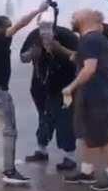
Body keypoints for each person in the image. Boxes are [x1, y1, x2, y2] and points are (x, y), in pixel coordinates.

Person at [0, 0, 48, 185]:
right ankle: (9, 171)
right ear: (0, 28)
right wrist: (38, 9)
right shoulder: (2, 38)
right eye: (7, 25)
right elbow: (22, 22)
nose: (10, 27)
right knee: (10, 130)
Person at [63, 9, 108, 191]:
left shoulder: (91, 40)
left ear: (86, 19)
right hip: (91, 94)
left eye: (75, 16)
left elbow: (89, 69)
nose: (72, 18)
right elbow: (81, 61)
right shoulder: (92, 40)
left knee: (102, 137)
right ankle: (87, 172)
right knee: (89, 135)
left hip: (95, 95)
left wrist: (70, 87)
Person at [20, 13, 79, 171]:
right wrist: (32, 53)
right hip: (40, 86)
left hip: (65, 87)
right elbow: (22, 57)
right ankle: (41, 150)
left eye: (47, 26)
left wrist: (59, 49)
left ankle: (70, 157)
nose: (44, 30)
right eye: (41, 26)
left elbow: (80, 58)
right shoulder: (34, 36)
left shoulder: (67, 35)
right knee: (44, 118)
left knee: (65, 120)